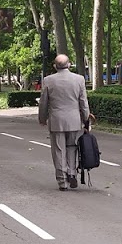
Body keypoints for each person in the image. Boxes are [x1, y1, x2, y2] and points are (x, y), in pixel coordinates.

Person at [38, 54, 92, 191]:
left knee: (58, 150)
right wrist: (86, 118)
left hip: (56, 121)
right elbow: (83, 102)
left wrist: (42, 118)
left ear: (55, 66)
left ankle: (62, 180)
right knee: (72, 148)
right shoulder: (79, 79)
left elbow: (44, 103)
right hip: (74, 120)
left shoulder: (48, 80)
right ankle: (72, 173)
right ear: (69, 64)